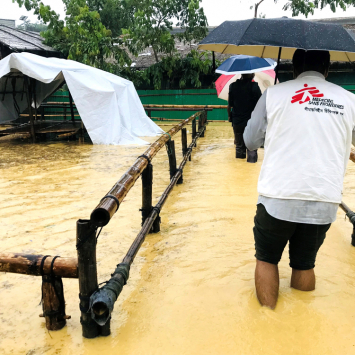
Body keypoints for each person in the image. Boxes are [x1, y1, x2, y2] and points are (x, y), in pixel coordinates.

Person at [244, 49, 355, 309]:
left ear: (294, 68)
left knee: (267, 259)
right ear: (327, 68)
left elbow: (250, 140)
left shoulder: (273, 94)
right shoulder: (349, 100)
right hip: (324, 199)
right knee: (305, 263)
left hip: (278, 197)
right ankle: (301, 328)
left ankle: (268, 324)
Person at [228, 73, 261, 162]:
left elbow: (230, 105)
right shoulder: (254, 87)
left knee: (239, 146)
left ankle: (239, 171)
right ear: (252, 76)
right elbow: (260, 104)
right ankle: (251, 169)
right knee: (252, 147)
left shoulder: (233, 86)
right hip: (251, 121)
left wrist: (229, 117)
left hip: (237, 121)